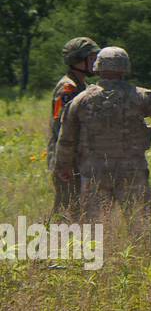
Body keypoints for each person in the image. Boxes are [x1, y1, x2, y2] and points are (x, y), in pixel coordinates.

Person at [52, 46, 151, 219]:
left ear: (98, 67)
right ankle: (144, 248)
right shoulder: (139, 96)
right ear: (125, 68)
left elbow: (66, 138)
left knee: (94, 230)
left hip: (94, 173)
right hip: (132, 172)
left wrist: (63, 167)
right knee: (141, 227)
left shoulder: (80, 100)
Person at [48, 37, 99, 216]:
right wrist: (64, 162)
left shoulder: (83, 85)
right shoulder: (68, 88)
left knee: (77, 208)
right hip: (67, 157)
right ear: (78, 60)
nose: (96, 62)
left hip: (79, 156)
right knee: (67, 208)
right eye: (92, 58)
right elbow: (61, 125)